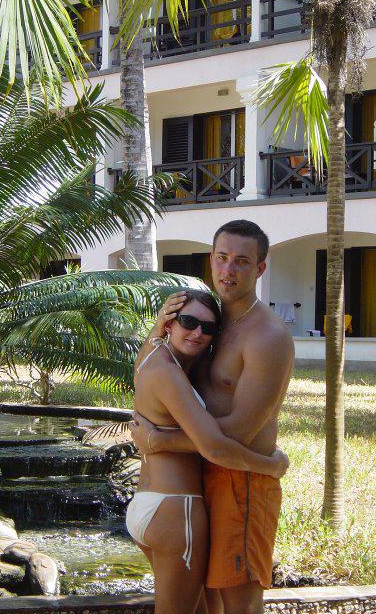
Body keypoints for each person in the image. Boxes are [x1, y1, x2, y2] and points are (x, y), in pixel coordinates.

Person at [131, 220, 295, 614]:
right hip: (201, 477)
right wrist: (159, 327)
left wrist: (161, 441)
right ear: (211, 259)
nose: (228, 270)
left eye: (241, 261)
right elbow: (152, 369)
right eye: (222, 258)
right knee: (208, 602)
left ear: (260, 268)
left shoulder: (266, 336)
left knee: (239, 601)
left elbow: (239, 430)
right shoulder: (209, 323)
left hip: (241, 481)